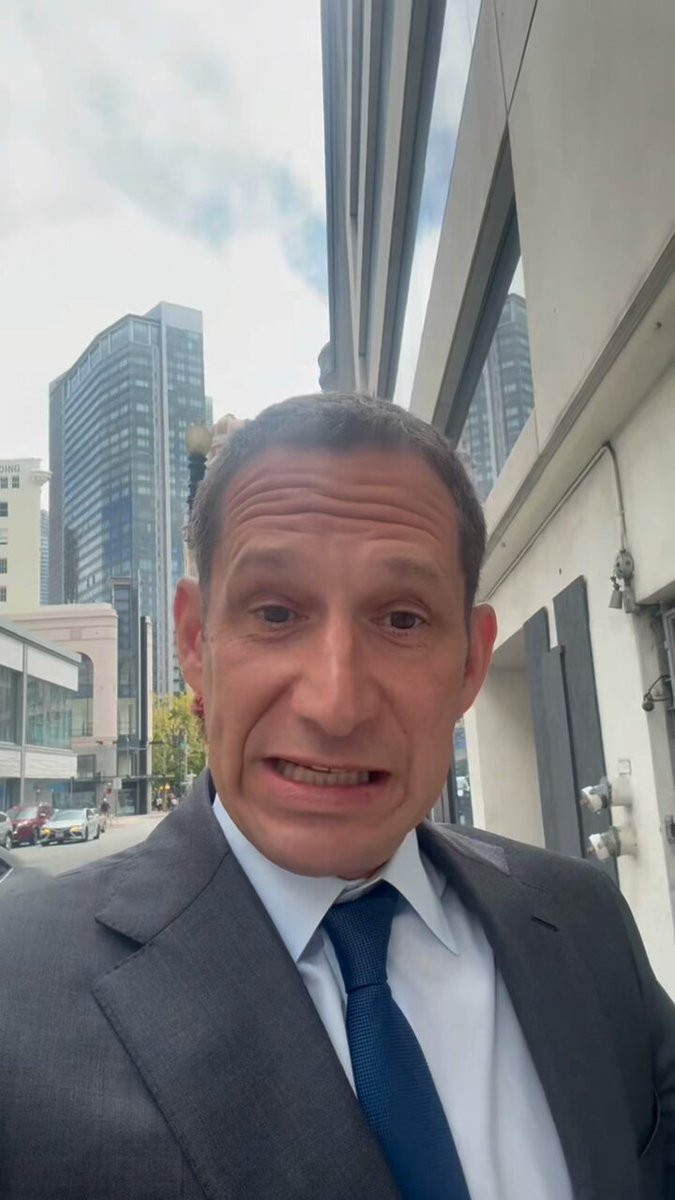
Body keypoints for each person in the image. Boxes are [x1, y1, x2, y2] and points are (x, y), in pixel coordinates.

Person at [0, 393, 673, 1200]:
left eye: (401, 620)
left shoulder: (586, 923)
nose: (335, 703)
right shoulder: (17, 997)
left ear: (469, 664)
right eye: (275, 612)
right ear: (194, 644)